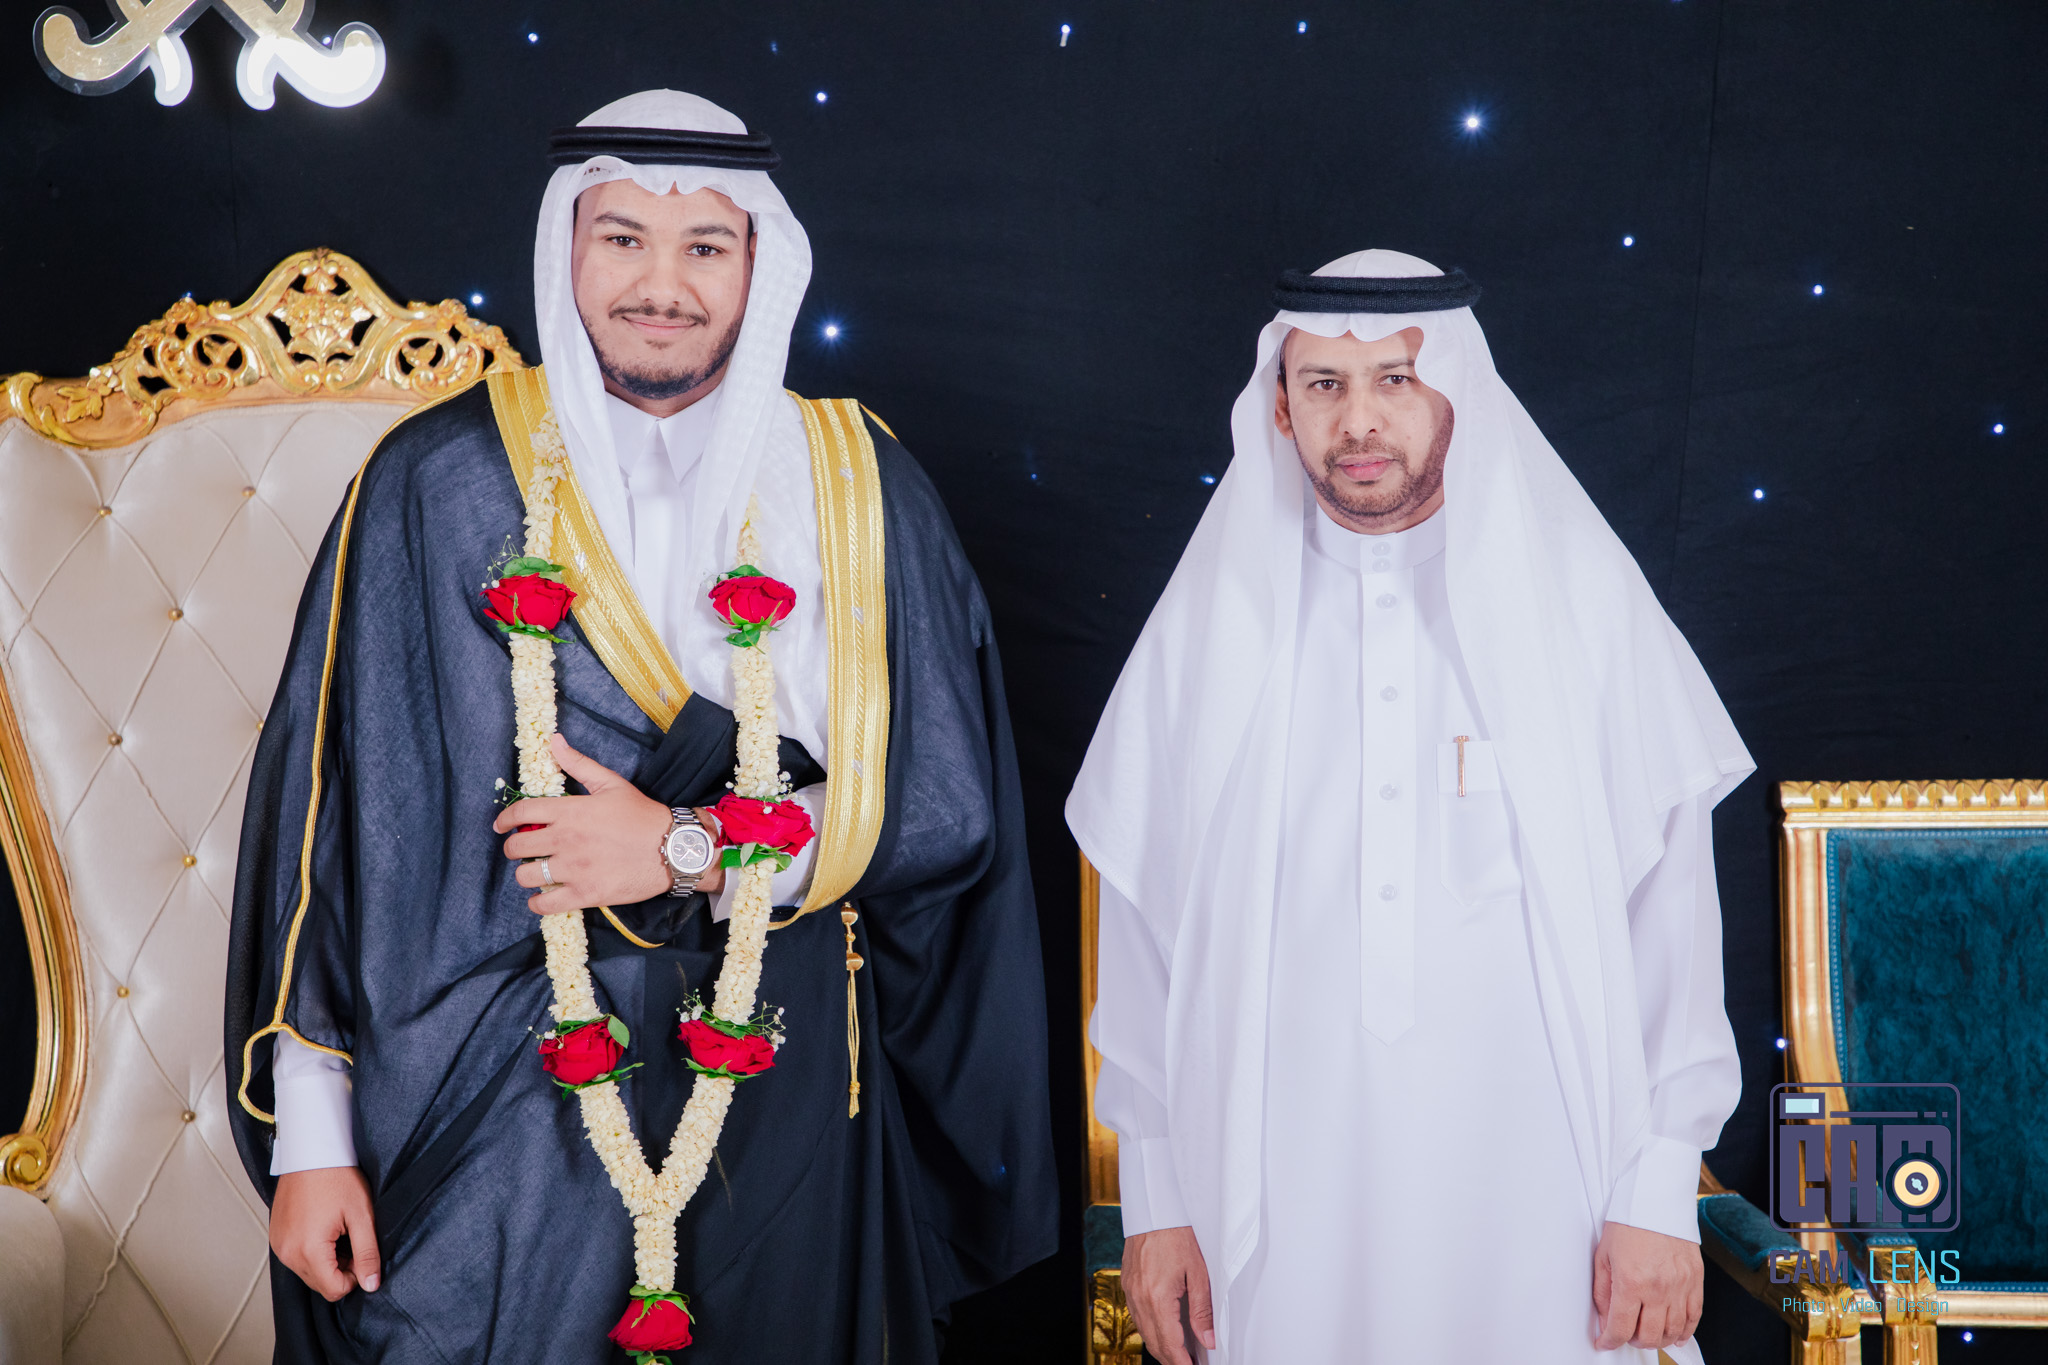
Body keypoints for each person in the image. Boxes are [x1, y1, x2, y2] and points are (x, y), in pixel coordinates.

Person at [225, 89, 1056, 1364]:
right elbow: (330, 825)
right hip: (486, 1106)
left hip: (772, 1082)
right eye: (622, 238)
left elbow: (938, 809)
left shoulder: (854, 485)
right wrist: (314, 1139)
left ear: (757, 266)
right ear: (566, 247)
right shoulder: (434, 483)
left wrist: (680, 849)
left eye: (703, 246)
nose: (661, 285)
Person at [1069, 251, 1750, 1364]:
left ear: (1458, 396)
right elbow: (1146, 944)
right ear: (1280, 410)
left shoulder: (1580, 608)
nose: (1359, 419)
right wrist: (1154, 1198)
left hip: (1550, 1199)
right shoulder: (1212, 628)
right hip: (1276, 1194)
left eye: (1395, 378)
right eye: (1324, 384)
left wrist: (1660, 1188)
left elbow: (1667, 922)